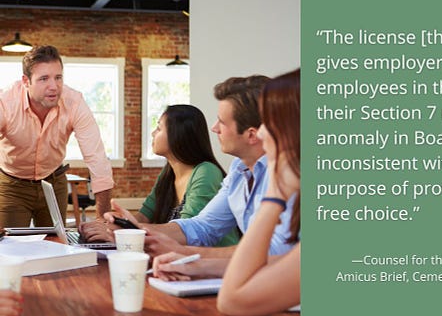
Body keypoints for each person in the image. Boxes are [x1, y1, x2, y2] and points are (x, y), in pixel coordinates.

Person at [152, 69, 301, 316]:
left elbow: (234, 299)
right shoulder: (241, 170)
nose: (262, 134)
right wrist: (199, 266)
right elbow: (289, 261)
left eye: (271, 125)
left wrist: (275, 195)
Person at [105, 75, 295, 261]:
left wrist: (186, 254)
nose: (214, 128)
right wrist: (134, 230)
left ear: (252, 135)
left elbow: (278, 251)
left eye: (222, 122)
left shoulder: (288, 174)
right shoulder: (239, 168)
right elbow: (203, 226)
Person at [80, 105, 238, 246]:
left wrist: (127, 231)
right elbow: (144, 216)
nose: (153, 133)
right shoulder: (169, 172)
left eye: (159, 128)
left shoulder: (206, 171)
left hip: (209, 261)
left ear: (178, 134)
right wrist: (116, 223)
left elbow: (187, 231)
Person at [0, 45, 113, 228]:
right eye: (44, 79)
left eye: (58, 77)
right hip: (11, 184)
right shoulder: (6, 103)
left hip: (53, 182)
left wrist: (102, 220)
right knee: (7, 248)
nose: (54, 87)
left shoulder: (74, 103)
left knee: (55, 247)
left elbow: (97, 159)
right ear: (26, 81)